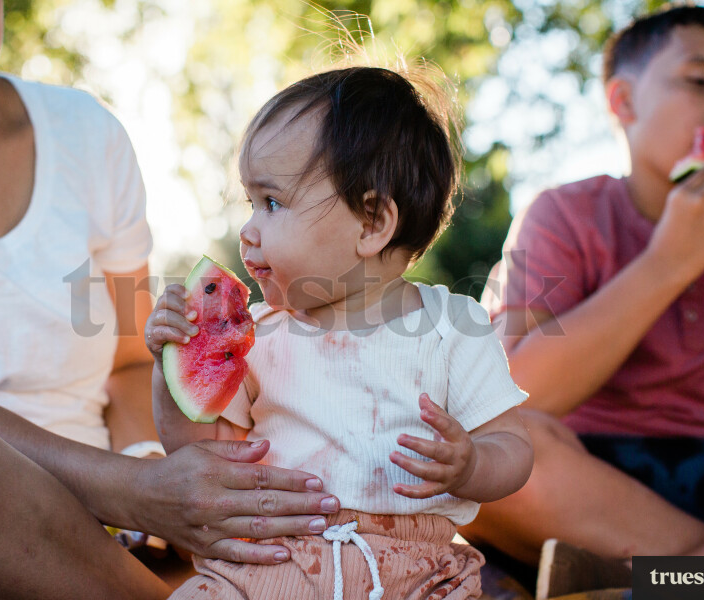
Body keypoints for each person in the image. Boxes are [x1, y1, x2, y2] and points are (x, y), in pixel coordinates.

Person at [0, 1, 342, 597]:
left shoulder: (85, 134)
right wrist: (140, 492)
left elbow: (129, 360)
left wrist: (152, 470)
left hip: (120, 527)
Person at [145, 66, 534, 599]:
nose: (248, 230)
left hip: (419, 573)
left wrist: (471, 463)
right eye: (250, 203)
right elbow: (201, 453)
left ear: (372, 222)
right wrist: (172, 369)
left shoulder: (453, 327)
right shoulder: (259, 337)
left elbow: (513, 446)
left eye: (272, 202)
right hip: (271, 561)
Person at [457, 3, 704, 575]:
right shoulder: (563, 213)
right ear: (623, 102)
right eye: (700, 80)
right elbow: (513, 396)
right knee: (477, 444)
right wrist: (667, 264)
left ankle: (657, 581)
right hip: (591, 481)